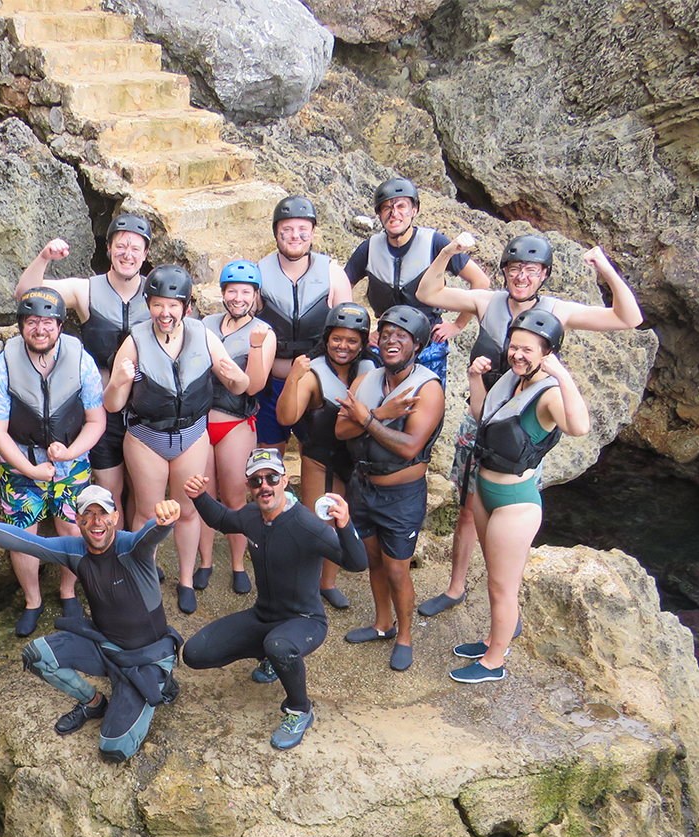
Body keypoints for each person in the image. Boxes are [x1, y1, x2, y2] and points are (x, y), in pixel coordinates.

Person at [415, 233, 642, 621]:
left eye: (531, 270)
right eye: (515, 268)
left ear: (545, 274)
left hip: (526, 427)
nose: (522, 277)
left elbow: (628, 318)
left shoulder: (558, 311)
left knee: (511, 512)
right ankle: (456, 587)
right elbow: (428, 292)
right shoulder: (487, 301)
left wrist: (605, 268)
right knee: (468, 509)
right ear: (504, 271)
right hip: (481, 416)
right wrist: (451, 252)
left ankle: (506, 600)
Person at [0, 487, 182, 763]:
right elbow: (21, 540)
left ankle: (158, 683)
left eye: (103, 513)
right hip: (105, 645)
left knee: (114, 750)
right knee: (36, 656)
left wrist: (167, 519)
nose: (96, 521)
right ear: (77, 519)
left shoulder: (132, 547)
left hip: (147, 657)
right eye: (88, 514)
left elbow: (151, 534)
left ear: (115, 517)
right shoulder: (74, 550)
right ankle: (94, 703)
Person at [181, 448, 368, 750]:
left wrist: (345, 525)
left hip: (305, 621)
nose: (264, 486)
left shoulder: (307, 526)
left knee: (280, 645)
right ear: (249, 487)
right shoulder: (253, 515)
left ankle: (299, 710)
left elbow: (357, 563)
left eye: (271, 478)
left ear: (285, 481)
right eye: (256, 481)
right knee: (194, 654)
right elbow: (223, 520)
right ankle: (271, 658)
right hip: (264, 616)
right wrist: (199, 495)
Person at [450, 310, 590, 683]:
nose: (517, 355)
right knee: (494, 576)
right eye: (514, 346)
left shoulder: (548, 394)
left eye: (527, 350)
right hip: (485, 490)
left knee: (502, 586)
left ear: (547, 353)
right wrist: (475, 377)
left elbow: (579, 427)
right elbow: (482, 414)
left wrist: (562, 374)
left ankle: (495, 661)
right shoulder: (511, 380)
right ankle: (493, 638)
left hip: (515, 503)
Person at [102, 265, 251, 614]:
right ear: (148, 305)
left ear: (186, 307)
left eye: (173, 305)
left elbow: (240, 387)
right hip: (146, 436)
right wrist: (119, 381)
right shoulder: (135, 340)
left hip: (191, 434)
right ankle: (144, 575)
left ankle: (186, 580)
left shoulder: (203, 335)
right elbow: (112, 405)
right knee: (146, 512)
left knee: (186, 511)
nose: (165, 313)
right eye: (157, 304)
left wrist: (237, 376)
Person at [0, 288, 108, 637]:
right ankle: (32, 599)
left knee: (74, 528)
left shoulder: (80, 359)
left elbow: (96, 421)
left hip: (71, 460)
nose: (40, 329)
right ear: (22, 325)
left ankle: (68, 590)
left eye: (48, 322)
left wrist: (69, 453)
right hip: (22, 460)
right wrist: (29, 470)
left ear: (60, 325)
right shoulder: (3, 365)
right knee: (25, 536)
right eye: (32, 322)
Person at [333, 306, 446, 672]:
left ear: (416, 345)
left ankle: (405, 635)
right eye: (386, 334)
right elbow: (340, 431)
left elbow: (410, 446)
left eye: (402, 336)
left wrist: (364, 417)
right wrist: (379, 413)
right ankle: (383, 624)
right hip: (363, 486)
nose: (391, 341)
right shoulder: (367, 380)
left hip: (401, 495)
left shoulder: (427, 388)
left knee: (397, 569)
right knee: (374, 561)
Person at [15, 214, 152, 506]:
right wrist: (44, 258)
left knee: (142, 491)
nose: (127, 254)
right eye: (121, 246)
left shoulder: (156, 293)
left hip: (145, 407)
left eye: (135, 248)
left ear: (146, 254)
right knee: (109, 489)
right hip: (100, 407)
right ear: (109, 249)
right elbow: (26, 294)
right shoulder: (86, 289)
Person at [275, 302, 380, 610]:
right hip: (321, 458)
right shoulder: (313, 373)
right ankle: (304, 585)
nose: (343, 346)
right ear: (327, 337)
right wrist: (293, 377)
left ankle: (327, 583)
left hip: (357, 462)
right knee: (317, 524)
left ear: (362, 341)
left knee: (341, 523)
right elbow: (286, 417)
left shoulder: (370, 369)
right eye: (337, 339)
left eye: (351, 340)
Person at [343, 178, 491, 384]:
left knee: (428, 405)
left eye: (401, 206)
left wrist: (457, 325)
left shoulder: (434, 242)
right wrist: (363, 332)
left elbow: (480, 282)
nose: (394, 213)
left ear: (414, 210)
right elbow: (341, 287)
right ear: (379, 214)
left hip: (428, 342)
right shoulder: (369, 249)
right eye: (386, 208)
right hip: (387, 343)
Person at [192, 260, 275, 596]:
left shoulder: (264, 332)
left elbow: (254, 385)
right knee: (204, 495)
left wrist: (254, 345)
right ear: (223, 293)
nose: (238, 297)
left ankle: (239, 563)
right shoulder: (205, 324)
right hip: (198, 422)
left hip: (235, 423)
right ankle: (206, 561)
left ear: (255, 296)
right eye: (232, 291)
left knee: (236, 497)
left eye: (245, 292)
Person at [254, 195, 354, 453]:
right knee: (269, 455)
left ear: (312, 232)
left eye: (302, 229)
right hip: (271, 386)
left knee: (317, 453)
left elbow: (351, 332)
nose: (294, 236)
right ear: (276, 233)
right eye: (286, 229)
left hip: (317, 384)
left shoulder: (333, 273)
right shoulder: (258, 274)